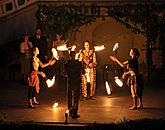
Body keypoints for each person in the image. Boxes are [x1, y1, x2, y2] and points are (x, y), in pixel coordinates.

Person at [65, 51, 82, 118]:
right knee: (76, 98)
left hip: (70, 82)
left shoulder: (67, 64)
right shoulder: (78, 63)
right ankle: (74, 113)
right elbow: (82, 71)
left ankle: (70, 112)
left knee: (69, 98)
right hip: (76, 82)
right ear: (75, 56)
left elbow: (65, 72)